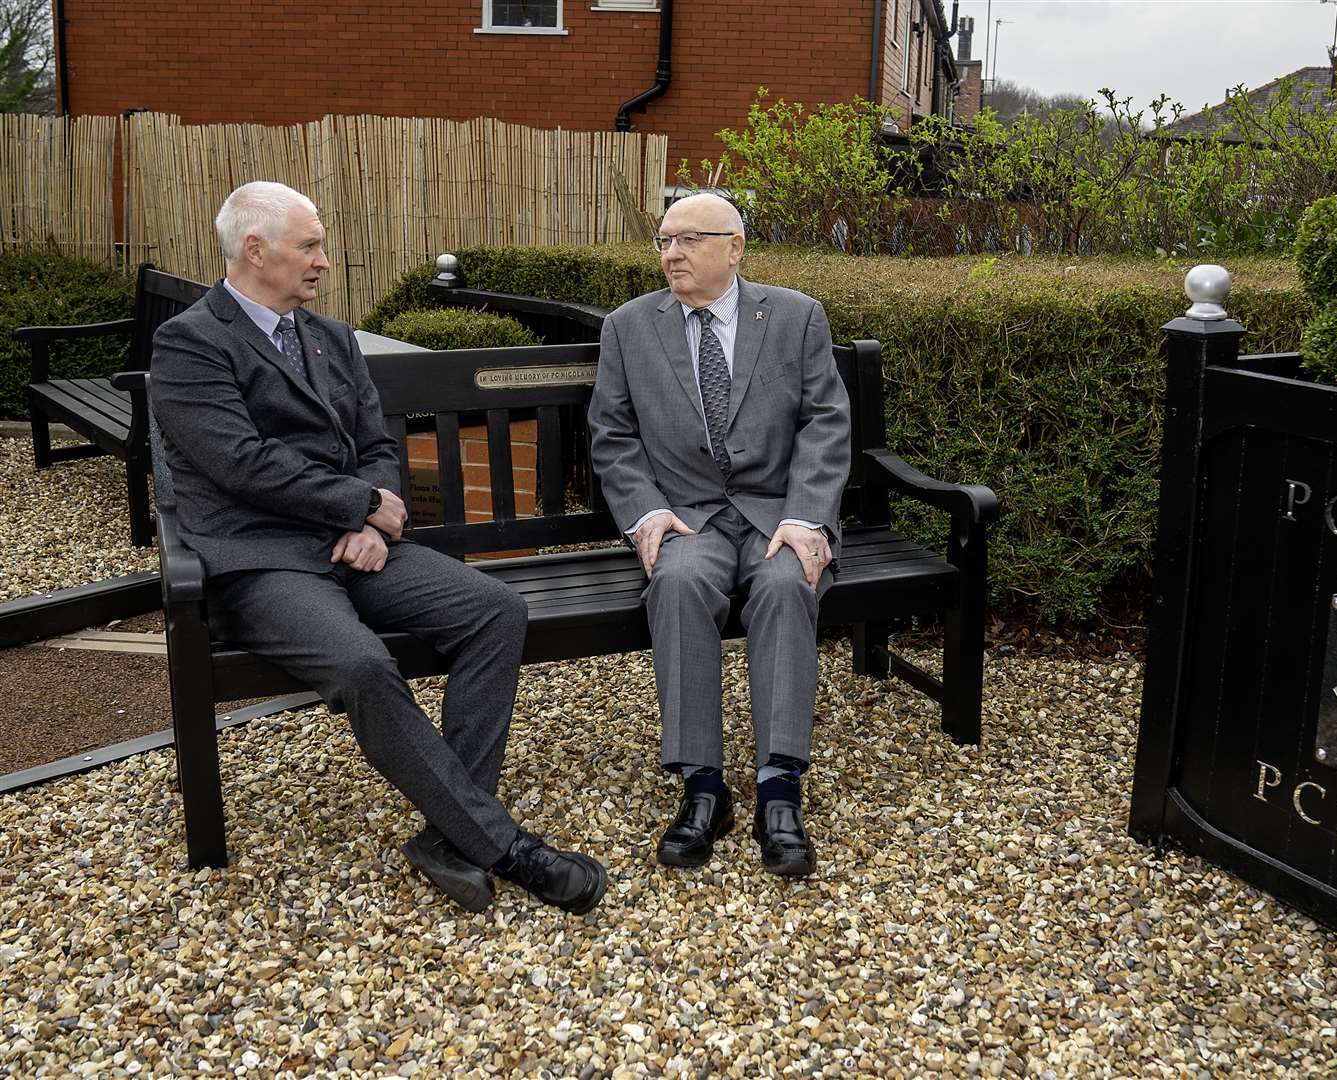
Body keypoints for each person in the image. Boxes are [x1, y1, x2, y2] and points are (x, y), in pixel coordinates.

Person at [149, 181, 606, 915]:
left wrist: (371, 521)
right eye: (309, 246)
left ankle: (447, 834)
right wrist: (357, 503)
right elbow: (237, 462)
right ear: (255, 250)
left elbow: (373, 444)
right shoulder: (189, 342)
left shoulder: (329, 337)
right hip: (261, 560)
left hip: (357, 547)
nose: (324, 261)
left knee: (494, 610)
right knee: (363, 663)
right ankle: (502, 846)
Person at [588, 192, 850, 877]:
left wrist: (805, 515)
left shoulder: (795, 317)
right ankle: (702, 784)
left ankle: (778, 785)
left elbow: (825, 422)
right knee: (675, 583)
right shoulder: (628, 326)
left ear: (733, 248)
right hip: (687, 515)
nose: (670, 253)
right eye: (664, 241)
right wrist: (645, 512)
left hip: (775, 512)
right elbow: (611, 435)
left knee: (788, 585)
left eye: (688, 239)